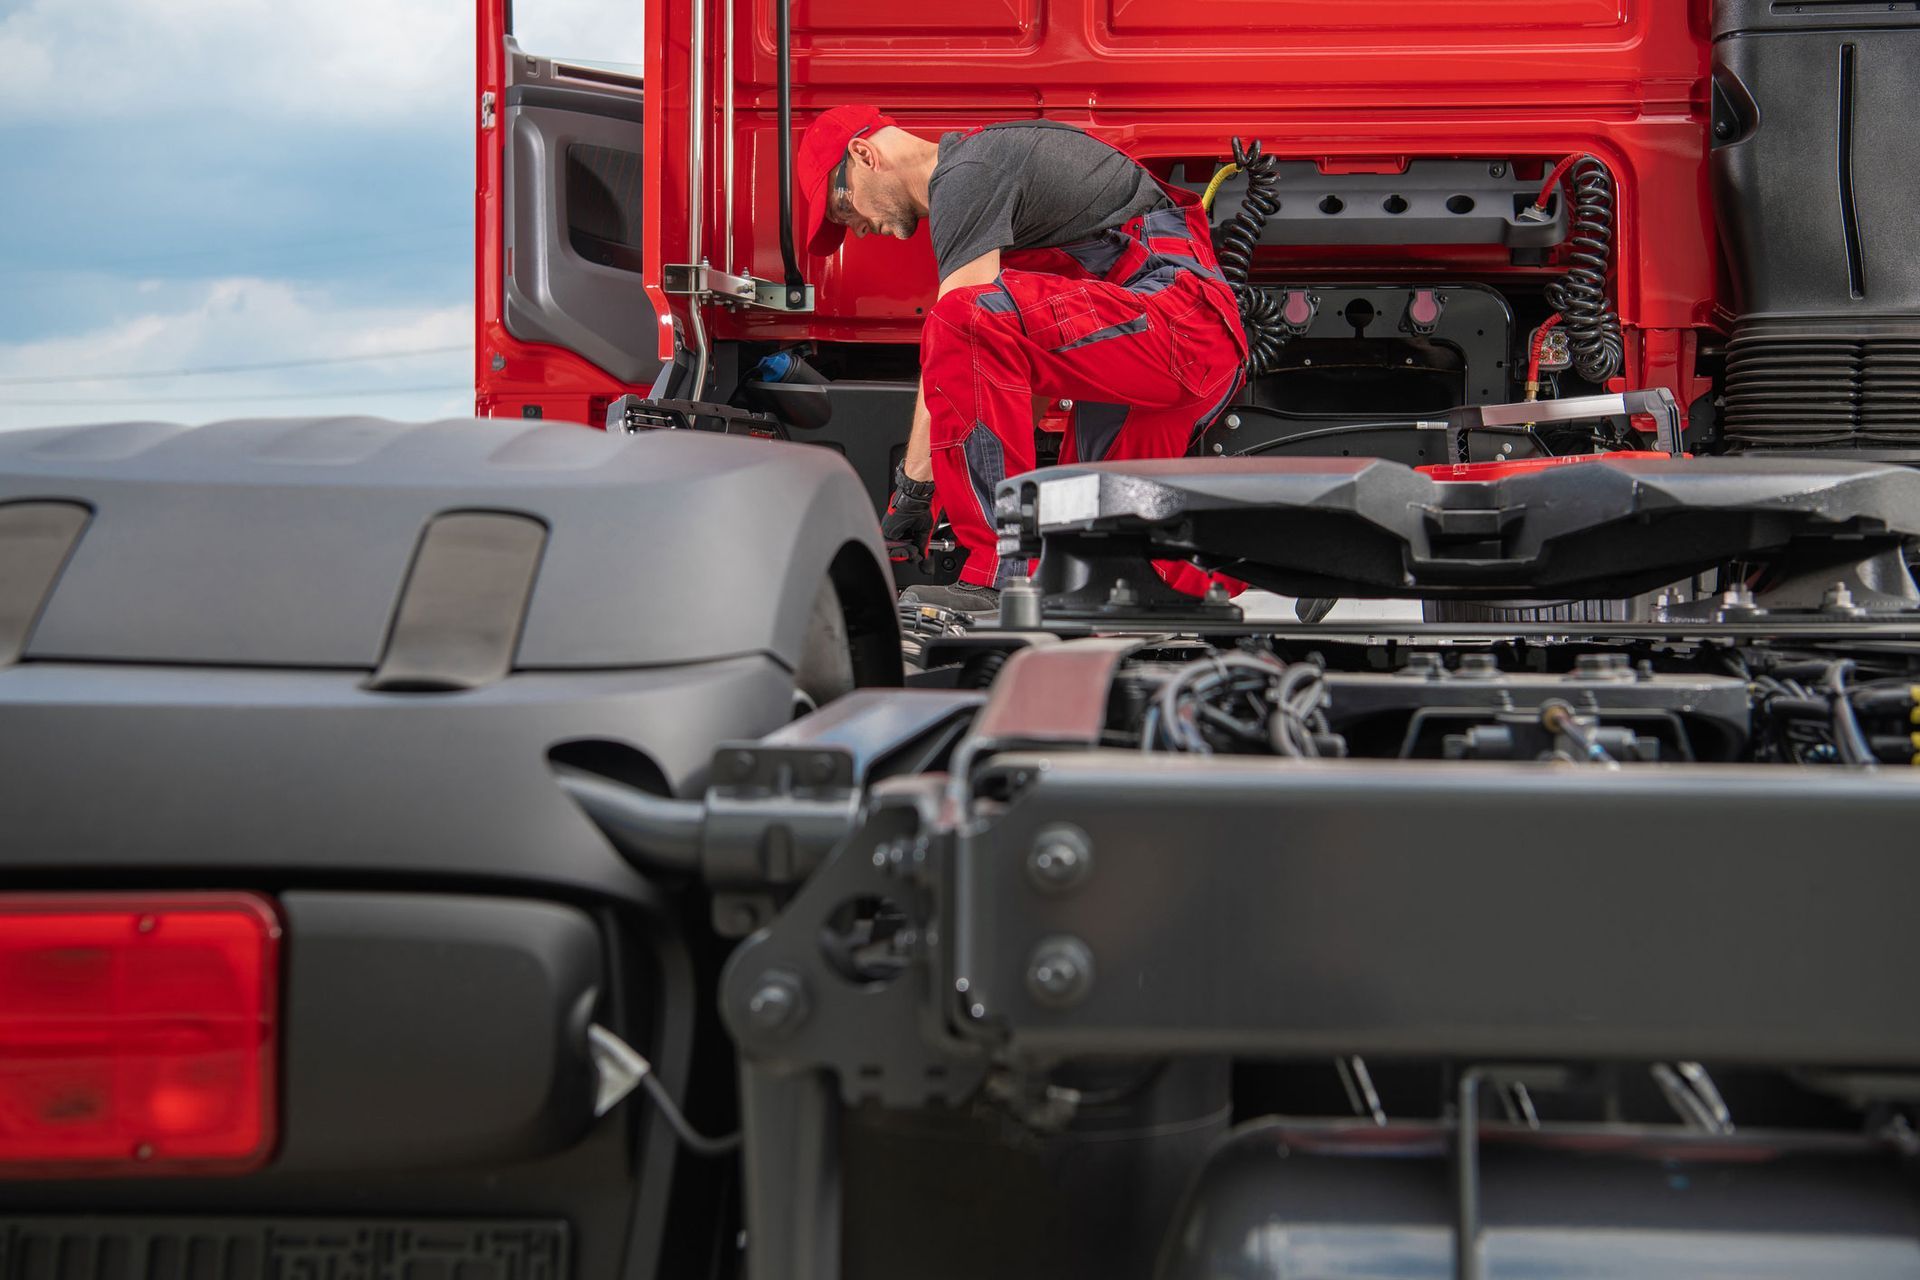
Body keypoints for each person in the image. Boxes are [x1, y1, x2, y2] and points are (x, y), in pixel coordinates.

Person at [796, 107, 1248, 612]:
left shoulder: (967, 171)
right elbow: (1006, 376)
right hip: (1171, 347)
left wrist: (915, 492)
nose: (854, 227)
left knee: (959, 318)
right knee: (1096, 558)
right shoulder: (987, 196)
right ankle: (1280, 561)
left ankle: (1001, 576)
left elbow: (965, 335)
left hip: (1176, 326)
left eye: (842, 206)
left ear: (864, 154)